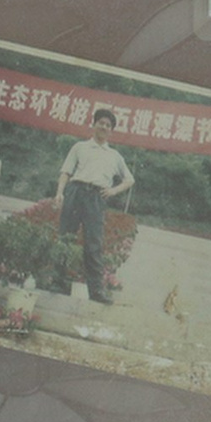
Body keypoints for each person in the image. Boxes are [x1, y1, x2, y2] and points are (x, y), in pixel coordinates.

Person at [54, 109, 134, 304]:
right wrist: (60, 192)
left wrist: (113, 191)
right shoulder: (80, 147)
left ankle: (97, 291)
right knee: (66, 236)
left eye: (108, 125)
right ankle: (57, 282)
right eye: (101, 122)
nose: (104, 127)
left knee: (94, 244)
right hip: (75, 192)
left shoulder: (114, 155)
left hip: (97, 198)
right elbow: (66, 171)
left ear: (111, 131)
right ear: (94, 124)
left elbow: (129, 179)